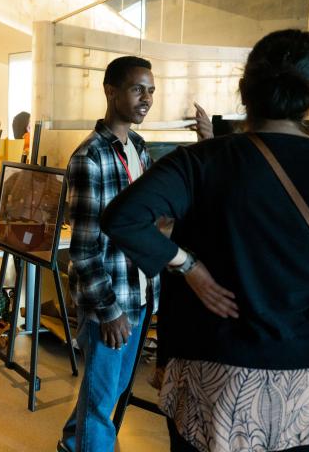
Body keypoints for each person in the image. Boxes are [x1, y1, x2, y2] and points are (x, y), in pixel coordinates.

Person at [101, 30, 309, 451]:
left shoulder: (202, 160)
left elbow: (123, 217)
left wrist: (188, 265)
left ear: (244, 89)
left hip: (219, 378)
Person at [58, 56, 212, 452]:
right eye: (137, 89)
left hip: (141, 292)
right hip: (111, 301)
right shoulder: (89, 158)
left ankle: (72, 442)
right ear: (111, 92)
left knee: (109, 390)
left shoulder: (139, 149)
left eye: (151, 91)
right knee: (101, 401)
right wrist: (108, 310)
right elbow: (84, 249)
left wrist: (206, 144)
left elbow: (157, 215)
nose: (147, 99)